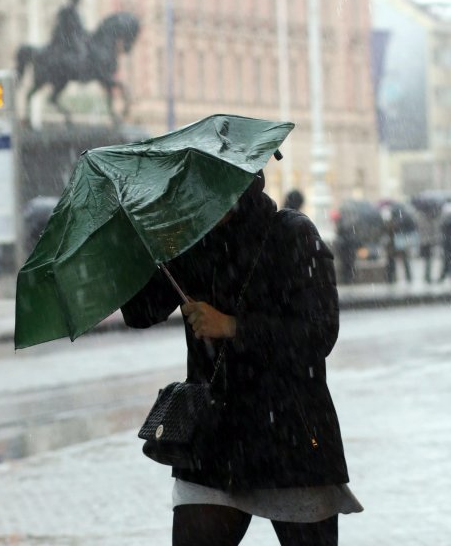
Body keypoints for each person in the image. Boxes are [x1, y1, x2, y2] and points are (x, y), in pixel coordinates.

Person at [121, 172, 362, 545]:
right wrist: (144, 242)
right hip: (215, 439)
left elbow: (319, 334)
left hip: (291, 437)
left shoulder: (292, 234)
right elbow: (140, 313)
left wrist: (233, 326)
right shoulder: (191, 240)